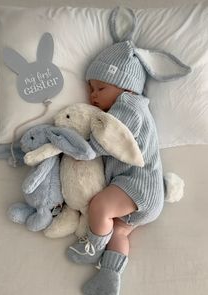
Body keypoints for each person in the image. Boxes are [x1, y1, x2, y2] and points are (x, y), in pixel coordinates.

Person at [66, 37, 191, 295]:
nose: (92, 95)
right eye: (91, 89)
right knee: (119, 232)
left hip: (138, 186)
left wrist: (86, 149)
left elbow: (110, 137)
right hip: (146, 196)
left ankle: (92, 246)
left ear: (125, 86)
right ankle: (109, 277)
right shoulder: (129, 106)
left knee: (99, 206)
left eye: (100, 88)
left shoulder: (129, 105)